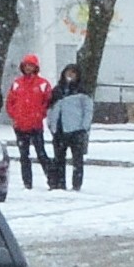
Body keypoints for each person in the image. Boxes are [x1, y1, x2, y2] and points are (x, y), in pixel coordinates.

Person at [46, 62, 95, 190]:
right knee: (59, 159)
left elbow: (88, 109)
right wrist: (51, 124)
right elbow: (51, 108)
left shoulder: (82, 91)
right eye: (68, 72)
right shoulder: (57, 90)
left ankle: (76, 184)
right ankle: (60, 183)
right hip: (59, 129)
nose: (70, 75)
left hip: (76, 130)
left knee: (77, 159)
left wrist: (84, 126)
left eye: (73, 72)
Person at [4, 55, 50, 190]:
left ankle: (51, 179)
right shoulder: (17, 83)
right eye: (26, 65)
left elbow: (47, 102)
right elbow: (10, 102)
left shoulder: (43, 84)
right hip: (20, 125)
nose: (28, 68)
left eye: (31, 65)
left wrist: (39, 115)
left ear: (35, 67)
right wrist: (15, 116)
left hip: (35, 125)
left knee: (41, 153)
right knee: (24, 155)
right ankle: (27, 182)